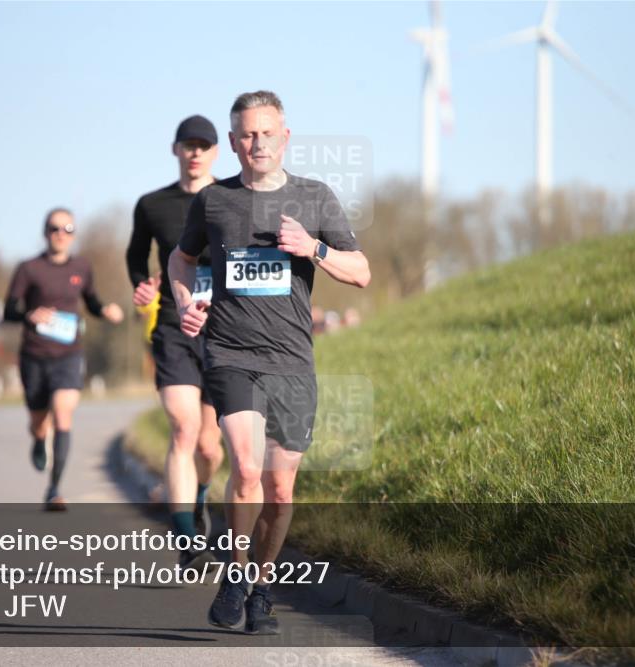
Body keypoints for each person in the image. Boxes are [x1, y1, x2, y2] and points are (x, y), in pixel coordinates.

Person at [168, 91, 370, 634]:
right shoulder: (213, 202)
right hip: (232, 354)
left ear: (285, 137)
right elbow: (180, 258)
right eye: (246, 134)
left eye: (266, 132)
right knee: (248, 468)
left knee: (280, 491)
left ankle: (260, 585)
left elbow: (361, 271)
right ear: (233, 142)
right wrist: (187, 301)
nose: (257, 142)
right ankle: (235, 574)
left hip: (293, 362)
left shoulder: (315, 197)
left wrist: (314, 250)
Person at [126, 115, 225, 569]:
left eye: (204, 145)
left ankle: (200, 496)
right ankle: (187, 536)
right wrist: (140, 285)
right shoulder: (151, 204)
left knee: (210, 446)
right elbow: (135, 256)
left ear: (215, 153)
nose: (196, 153)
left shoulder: (231, 200)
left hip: (225, 330)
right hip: (172, 326)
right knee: (183, 430)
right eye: (189, 145)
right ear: (176, 150)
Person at [3, 208, 124, 511]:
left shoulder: (82, 267)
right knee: (38, 422)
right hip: (34, 356)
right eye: (54, 228)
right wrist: (30, 314)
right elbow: (9, 310)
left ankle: (54, 488)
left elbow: (92, 300)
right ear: (45, 233)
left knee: (63, 414)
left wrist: (105, 310)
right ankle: (38, 438)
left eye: (67, 228)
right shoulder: (29, 268)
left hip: (69, 355)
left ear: (74, 234)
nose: (61, 233)